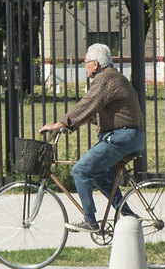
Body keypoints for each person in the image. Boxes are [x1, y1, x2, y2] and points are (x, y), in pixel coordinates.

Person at [36, 43, 144, 231]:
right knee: (99, 174)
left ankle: (90, 221)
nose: (84, 66)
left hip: (122, 137)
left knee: (80, 170)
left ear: (95, 64)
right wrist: (69, 125)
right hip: (127, 136)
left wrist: (59, 124)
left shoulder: (105, 79)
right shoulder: (113, 77)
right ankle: (127, 216)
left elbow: (86, 105)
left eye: (85, 62)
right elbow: (93, 114)